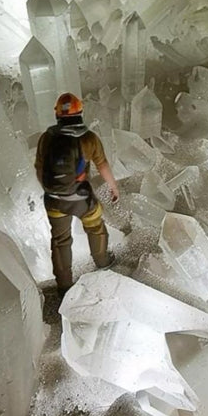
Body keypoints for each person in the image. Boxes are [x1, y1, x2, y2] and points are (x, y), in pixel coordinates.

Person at [35, 92, 120, 295]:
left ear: (57, 115)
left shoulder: (47, 138)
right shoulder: (88, 139)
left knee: (60, 241)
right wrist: (113, 187)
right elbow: (103, 165)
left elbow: (39, 167)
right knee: (96, 227)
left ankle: (64, 285)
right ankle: (102, 262)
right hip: (81, 198)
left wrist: (50, 190)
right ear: (80, 112)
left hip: (54, 201)